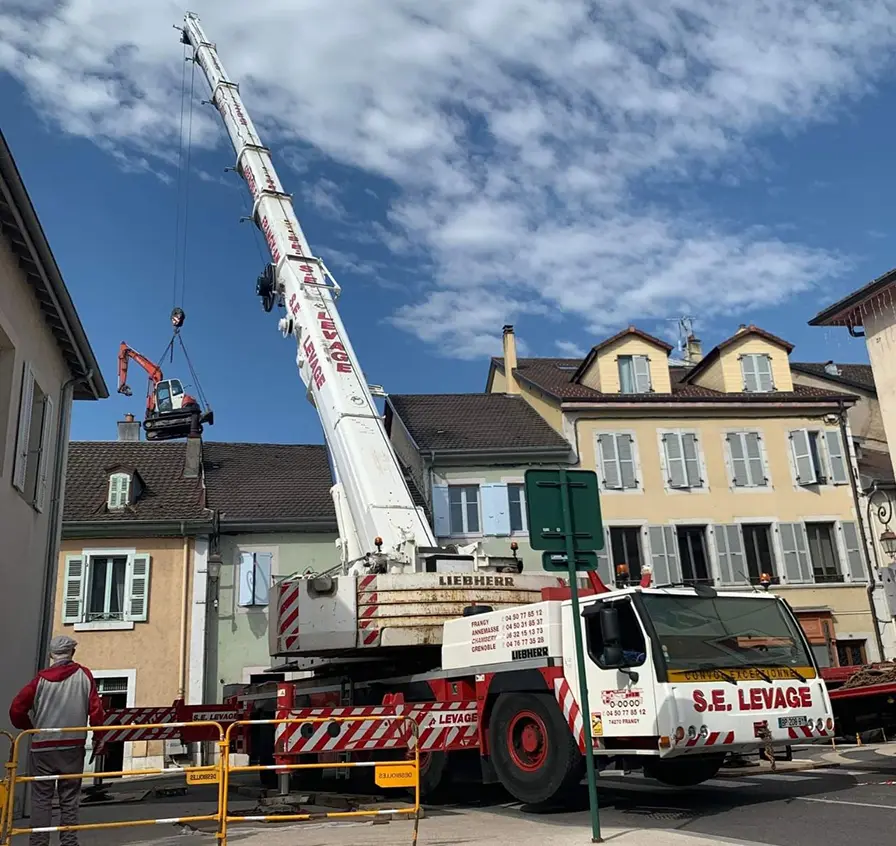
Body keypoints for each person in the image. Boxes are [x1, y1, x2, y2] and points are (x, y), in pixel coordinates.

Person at [9, 635, 104, 846]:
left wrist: (30, 728)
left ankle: (39, 842)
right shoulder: (84, 676)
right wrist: (99, 737)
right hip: (73, 745)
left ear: (51, 654)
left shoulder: (39, 681)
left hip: (43, 747)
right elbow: (96, 711)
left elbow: (16, 709)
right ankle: (69, 842)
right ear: (72, 653)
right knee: (69, 798)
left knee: (41, 798)